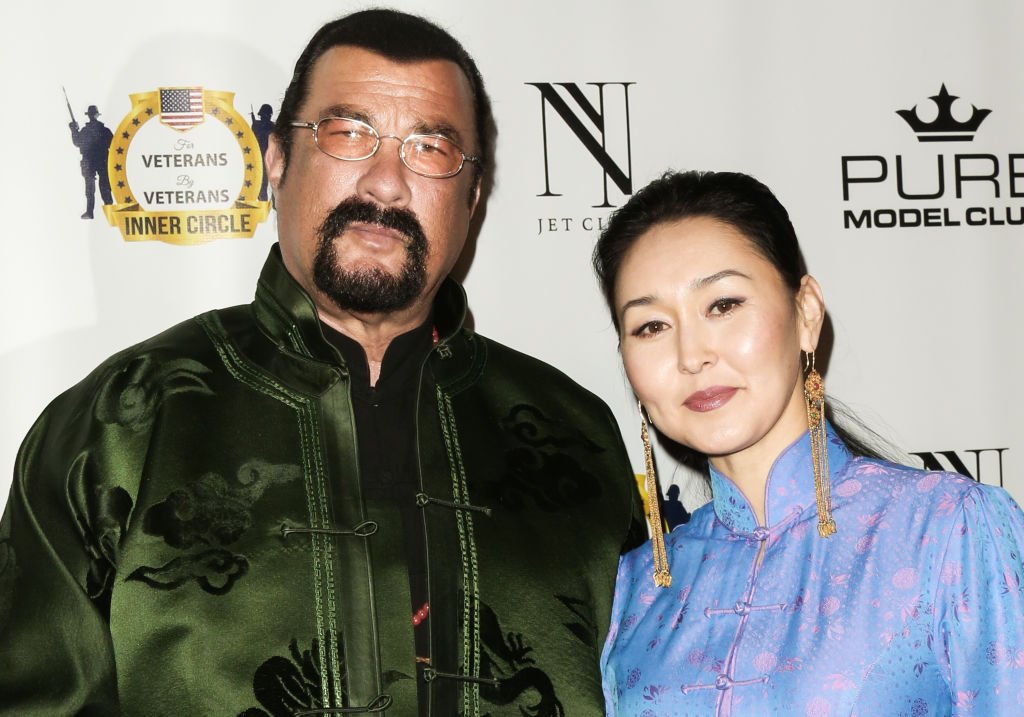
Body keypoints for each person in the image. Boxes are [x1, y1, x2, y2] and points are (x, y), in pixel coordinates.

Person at [0, 10, 643, 716]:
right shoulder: (119, 424)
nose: (386, 181)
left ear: (473, 198)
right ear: (277, 159)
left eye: (430, 148)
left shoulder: (574, 435)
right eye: (348, 133)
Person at [594, 170, 1024, 716]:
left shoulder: (948, 531)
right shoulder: (638, 589)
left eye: (723, 305)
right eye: (651, 326)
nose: (691, 355)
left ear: (806, 314)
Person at [68, 104, 114, 219]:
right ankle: (107, 210)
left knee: (93, 186)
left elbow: (77, 142)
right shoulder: (104, 130)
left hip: (92, 160)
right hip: (99, 159)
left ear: (89, 116)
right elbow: (112, 144)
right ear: (96, 115)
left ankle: (92, 211)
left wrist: (74, 130)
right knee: (103, 185)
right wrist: (74, 130)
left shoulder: (87, 130)